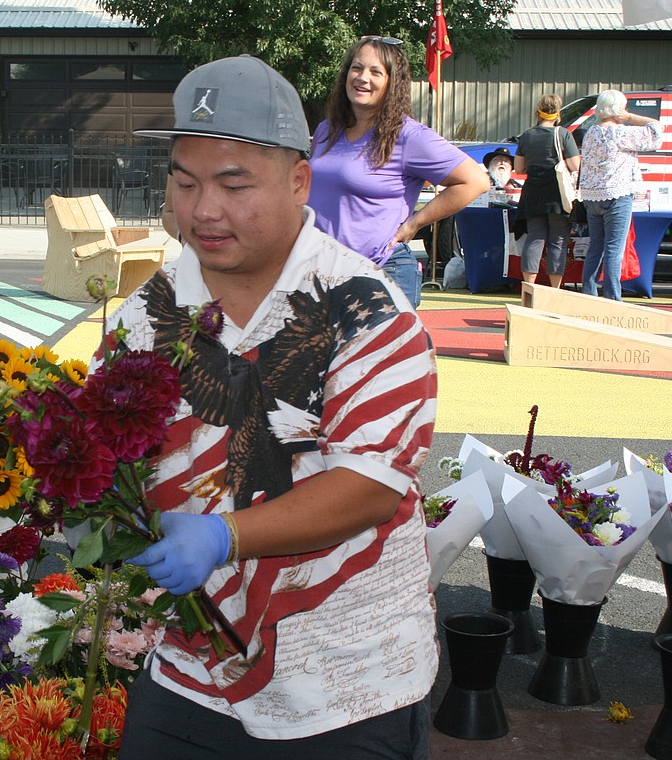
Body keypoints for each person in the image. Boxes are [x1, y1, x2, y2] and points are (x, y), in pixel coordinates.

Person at [118, 55, 439, 759]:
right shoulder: (150, 309)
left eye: (234, 184)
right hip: (189, 671)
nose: (203, 210)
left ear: (300, 182)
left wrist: (222, 536)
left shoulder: (366, 310)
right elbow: (112, 436)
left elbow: (368, 489)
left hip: (344, 681)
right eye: (184, 181)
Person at [308, 36, 487, 307]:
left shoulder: (407, 136)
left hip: (380, 275)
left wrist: (414, 223)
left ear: (392, 82)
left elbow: (475, 181)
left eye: (375, 72)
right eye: (357, 68)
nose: (362, 77)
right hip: (321, 277)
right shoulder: (326, 130)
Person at [578, 89, 662, 300]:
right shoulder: (620, 132)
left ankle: (588, 292)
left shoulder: (591, 132)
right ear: (619, 109)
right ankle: (612, 297)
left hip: (592, 196)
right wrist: (632, 117)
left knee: (595, 247)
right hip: (617, 195)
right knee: (615, 249)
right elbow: (656, 131)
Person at [513, 95, 581, 287]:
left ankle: (529, 288)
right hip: (558, 195)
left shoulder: (527, 136)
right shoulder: (563, 134)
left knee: (534, 239)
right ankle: (554, 290)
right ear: (558, 113)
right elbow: (574, 165)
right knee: (558, 240)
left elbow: (519, 168)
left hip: (533, 193)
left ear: (537, 112)